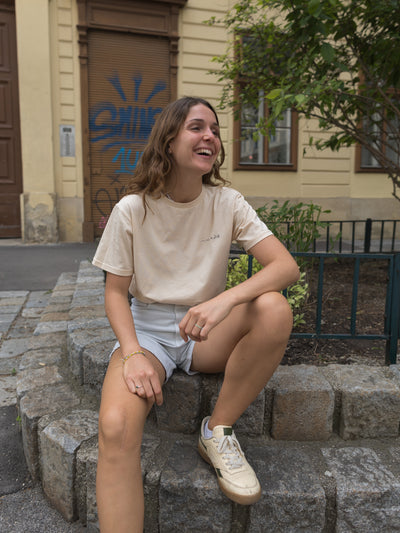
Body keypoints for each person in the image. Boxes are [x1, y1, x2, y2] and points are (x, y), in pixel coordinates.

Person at [92, 96, 300, 532]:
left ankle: (217, 431)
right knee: (115, 429)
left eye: (215, 130)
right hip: (147, 333)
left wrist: (223, 300)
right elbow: (115, 293)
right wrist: (131, 353)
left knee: (274, 309)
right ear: (168, 141)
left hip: (207, 331)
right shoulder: (133, 209)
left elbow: (285, 267)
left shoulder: (227, 202)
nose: (210, 136)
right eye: (197, 127)